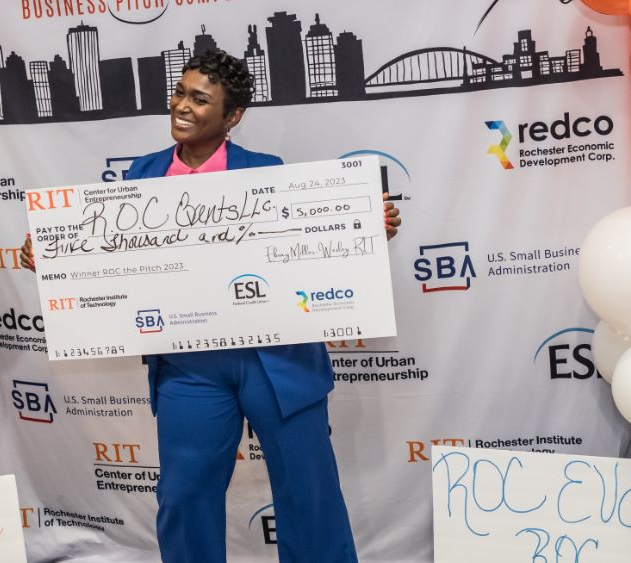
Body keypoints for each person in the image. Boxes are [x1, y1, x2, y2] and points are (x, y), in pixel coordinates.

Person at [21, 49, 400, 562]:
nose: (181, 105)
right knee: (184, 497)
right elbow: (115, 262)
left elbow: (309, 249)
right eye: (180, 92)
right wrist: (53, 256)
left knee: (309, 493)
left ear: (232, 117)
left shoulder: (266, 171)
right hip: (189, 366)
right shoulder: (141, 175)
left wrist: (366, 230)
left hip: (277, 360)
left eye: (200, 99)